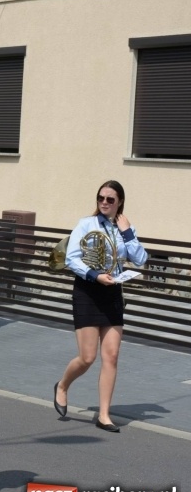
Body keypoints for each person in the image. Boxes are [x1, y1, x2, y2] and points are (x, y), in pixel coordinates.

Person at [54, 180, 147, 433]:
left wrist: (127, 233)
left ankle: (104, 415)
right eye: (101, 198)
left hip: (113, 292)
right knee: (87, 358)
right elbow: (72, 258)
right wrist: (95, 275)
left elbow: (140, 259)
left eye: (110, 199)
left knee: (112, 356)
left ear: (120, 203)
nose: (104, 203)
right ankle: (62, 385)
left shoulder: (124, 228)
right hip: (88, 291)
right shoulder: (86, 224)